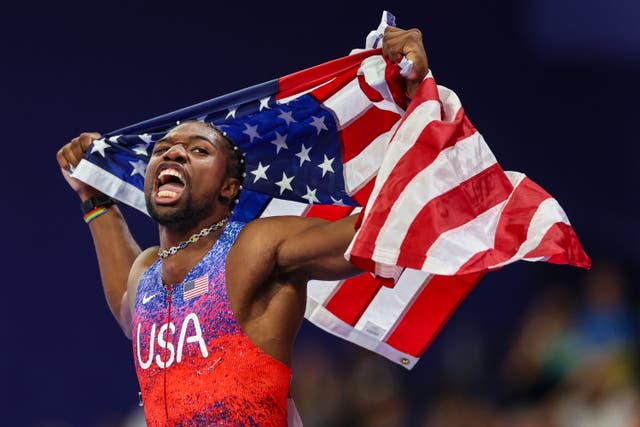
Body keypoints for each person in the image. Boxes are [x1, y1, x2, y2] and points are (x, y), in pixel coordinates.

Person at [56, 26, 428, 426]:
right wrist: (94, 199)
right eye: (162, 149)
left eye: (198, 150)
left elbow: (376, 231)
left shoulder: (254, 247)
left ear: (229, 188)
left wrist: (414, 96)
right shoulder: (146, 273)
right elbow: (132, 317)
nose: (174, 152)